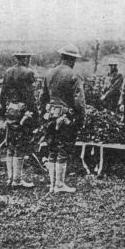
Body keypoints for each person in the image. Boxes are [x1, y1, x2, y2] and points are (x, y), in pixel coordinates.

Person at [40, 47, 86, 193]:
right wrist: (81, 119)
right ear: (72, 59)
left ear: (62, 57)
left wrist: (43, 115)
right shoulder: (74, 75)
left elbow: (43, 98)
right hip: (66, 117)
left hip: (50, 116)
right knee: (64, 149)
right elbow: (79, 102)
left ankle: (53, 184)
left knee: (52, 149)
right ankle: (59, 184)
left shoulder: (49, 73)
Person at [1, 51, 39, 188]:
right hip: (23, 111)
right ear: (26, 58)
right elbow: (31, 97)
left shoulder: (8, 72)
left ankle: (11, 178)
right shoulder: (28, 73)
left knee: (10, 144)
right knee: (20, 145)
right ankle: (17, 180)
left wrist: (4, 110)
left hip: (10, 109)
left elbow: (2, 93)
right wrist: (35, 115)